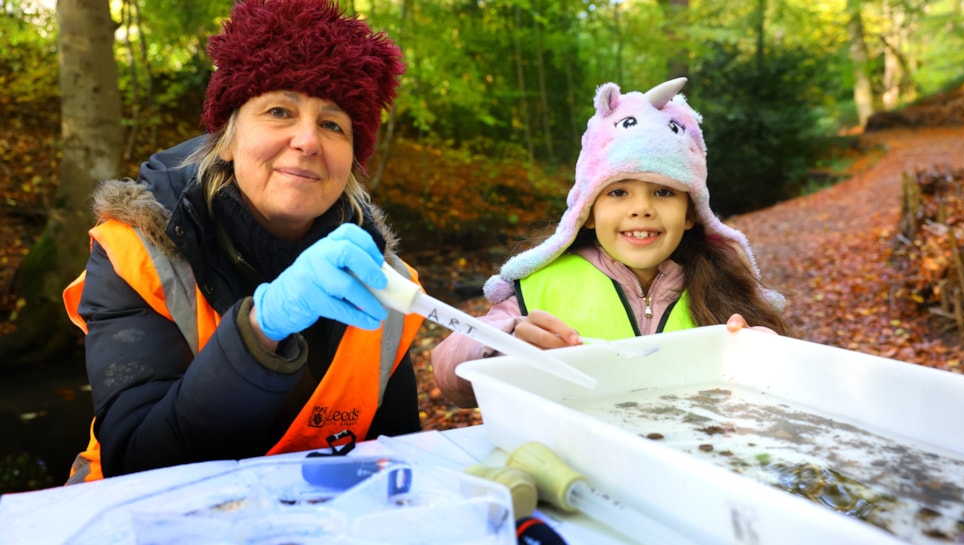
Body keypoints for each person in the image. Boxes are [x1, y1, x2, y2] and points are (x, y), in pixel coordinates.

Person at [61, 0, 424, 483]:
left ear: (352, 158)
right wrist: (262, 327)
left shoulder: (386, 282)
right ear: (228, 139)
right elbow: (139, 460)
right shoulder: (137, 254)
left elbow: (398, 460)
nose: (308, 141)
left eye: (333, 124)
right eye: (279, 111)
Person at [432, 77, 787, 408]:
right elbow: (450, 379)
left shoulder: (723, 289)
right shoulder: (540, 286)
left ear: (691, 212)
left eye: (663, 192)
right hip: (574, 463)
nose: (642, 209)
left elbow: (781, 390)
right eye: (618, 192)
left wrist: (765, 357)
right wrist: (507, 344)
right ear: (587, 211)